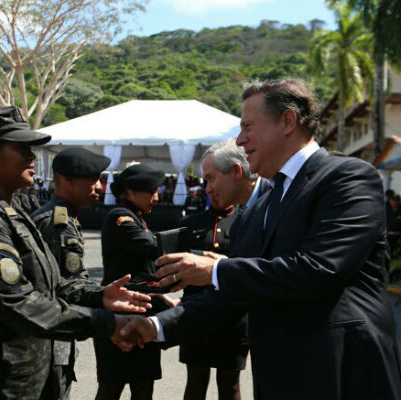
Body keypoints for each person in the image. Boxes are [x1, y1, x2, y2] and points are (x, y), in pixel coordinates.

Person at [119, 78, 401, 399]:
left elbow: (318, 269)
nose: (240, 141)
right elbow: (233, 295)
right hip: (279, 377)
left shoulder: (347, 177)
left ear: (287, 121)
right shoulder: (257, 210)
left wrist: (214, 270)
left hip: (343, 372)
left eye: (248, 127)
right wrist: (157, 326)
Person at [0, 106, 150, 400]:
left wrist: (98, 296)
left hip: (25, 379)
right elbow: (19, 302)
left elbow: (49, 285)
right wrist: (104, 322)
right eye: (21, 148)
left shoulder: (9, 211)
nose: (31, 156)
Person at [178, 138, 270, 400]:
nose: (206, 189)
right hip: (196, 309)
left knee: (229, 386)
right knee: (195, 383)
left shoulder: (245, 219)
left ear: (236, 173)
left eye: (210, 179)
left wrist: (220, 265)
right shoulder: (192, 222)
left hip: (233, 318)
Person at [31, 147, 111, 399]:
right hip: (51, 342)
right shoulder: (58, 224)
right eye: (93, 180)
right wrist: (106, 296)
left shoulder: (61, 217)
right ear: (66, 181)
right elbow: (68, 286)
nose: (99, 187)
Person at [94, 163, 165, 400]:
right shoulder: (121, 217)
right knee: (112, 387)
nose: (157, 197)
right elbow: (152, 247)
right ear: (132, 192)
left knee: (143, 385)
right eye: (151, 191)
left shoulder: (136, 218)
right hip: (120, 311)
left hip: (140, 311)